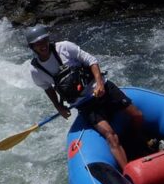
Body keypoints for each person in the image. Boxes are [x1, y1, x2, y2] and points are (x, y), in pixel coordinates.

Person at [25, 25, 143, 169]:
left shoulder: (65, 47)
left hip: (104, 89)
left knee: (137, 115)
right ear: (32, 47)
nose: (42, 45)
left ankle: (136, 142)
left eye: (44, 40)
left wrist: (99, 83)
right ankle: (129, 172)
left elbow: (92, 61)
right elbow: (47, 88)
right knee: (111, 136)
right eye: (37, 43)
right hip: (85, 104)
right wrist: (59, 107)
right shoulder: (36, 69)